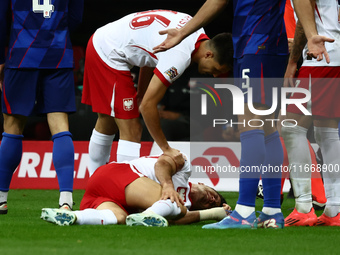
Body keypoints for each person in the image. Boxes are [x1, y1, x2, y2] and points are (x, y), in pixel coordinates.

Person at [154, 0, 288, 229]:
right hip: (270, 43)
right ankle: (272, 211)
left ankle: (244, 212)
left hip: (255, 42)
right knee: (267, 128)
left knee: (251, 125)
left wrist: (182, 33)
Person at [81, 10, 233, 175]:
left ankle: (94, 184)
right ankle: (125, 189)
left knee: (108, 121)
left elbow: (150, 53)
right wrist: (165, 148)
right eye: (217, 69)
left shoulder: (193, 28)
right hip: (108, 52)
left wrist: (141, 93)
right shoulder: (180, 56)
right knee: (132, 128)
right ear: (209, 55)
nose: (215, 75)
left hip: (106, 39)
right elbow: (147, 106)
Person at [0, 0, 84, 214]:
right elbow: (75, 18)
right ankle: (66, 199)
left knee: (12, 125)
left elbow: (1, 19)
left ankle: (1, 198)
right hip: (58, 55)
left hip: (21, 55)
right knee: (60, 124)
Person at [41, 153, 231, 226]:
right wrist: (167, 186)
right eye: (214, 195)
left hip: (105, 195)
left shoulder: (184, 208)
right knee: (177, 206)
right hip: (116, 175)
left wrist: (215, 212)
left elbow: (173, 220)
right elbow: (163, 163)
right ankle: (143, 216)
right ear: (204, 183)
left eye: (209, 204)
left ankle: (71, 217)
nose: (212, 199)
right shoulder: (185, 170)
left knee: (118, 219)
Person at [281, 0, 340, 226]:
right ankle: (334, 209)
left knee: (290, 126)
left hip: (320, 55)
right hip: (333, 52)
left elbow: (303, 18)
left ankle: (304, 207)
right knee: (327, 130)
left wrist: (293, 60)